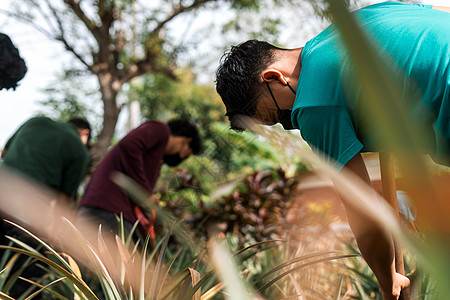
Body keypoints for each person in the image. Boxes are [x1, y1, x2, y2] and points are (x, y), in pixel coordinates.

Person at [215, 3, 450, 300]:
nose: (289, 122)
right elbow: (435, 12)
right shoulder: (353, 25)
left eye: (277, 115)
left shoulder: (314, 103)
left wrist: (386, 278)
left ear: (274, 78)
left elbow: (366, 217)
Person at [0, 116, 91, 297]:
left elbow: (4, 153)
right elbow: (64, 204)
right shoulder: (80, 150)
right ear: (85, 133)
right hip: (26, 217)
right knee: (25, 283)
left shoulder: (36, 121)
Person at [78, 119, 202, 238]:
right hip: (108, 211)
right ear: (186, 141)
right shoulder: (161, 129)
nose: (181, 159)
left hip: (112, 212)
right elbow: (130, 145)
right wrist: (144, 194)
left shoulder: (157, 157)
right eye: (186, 154)